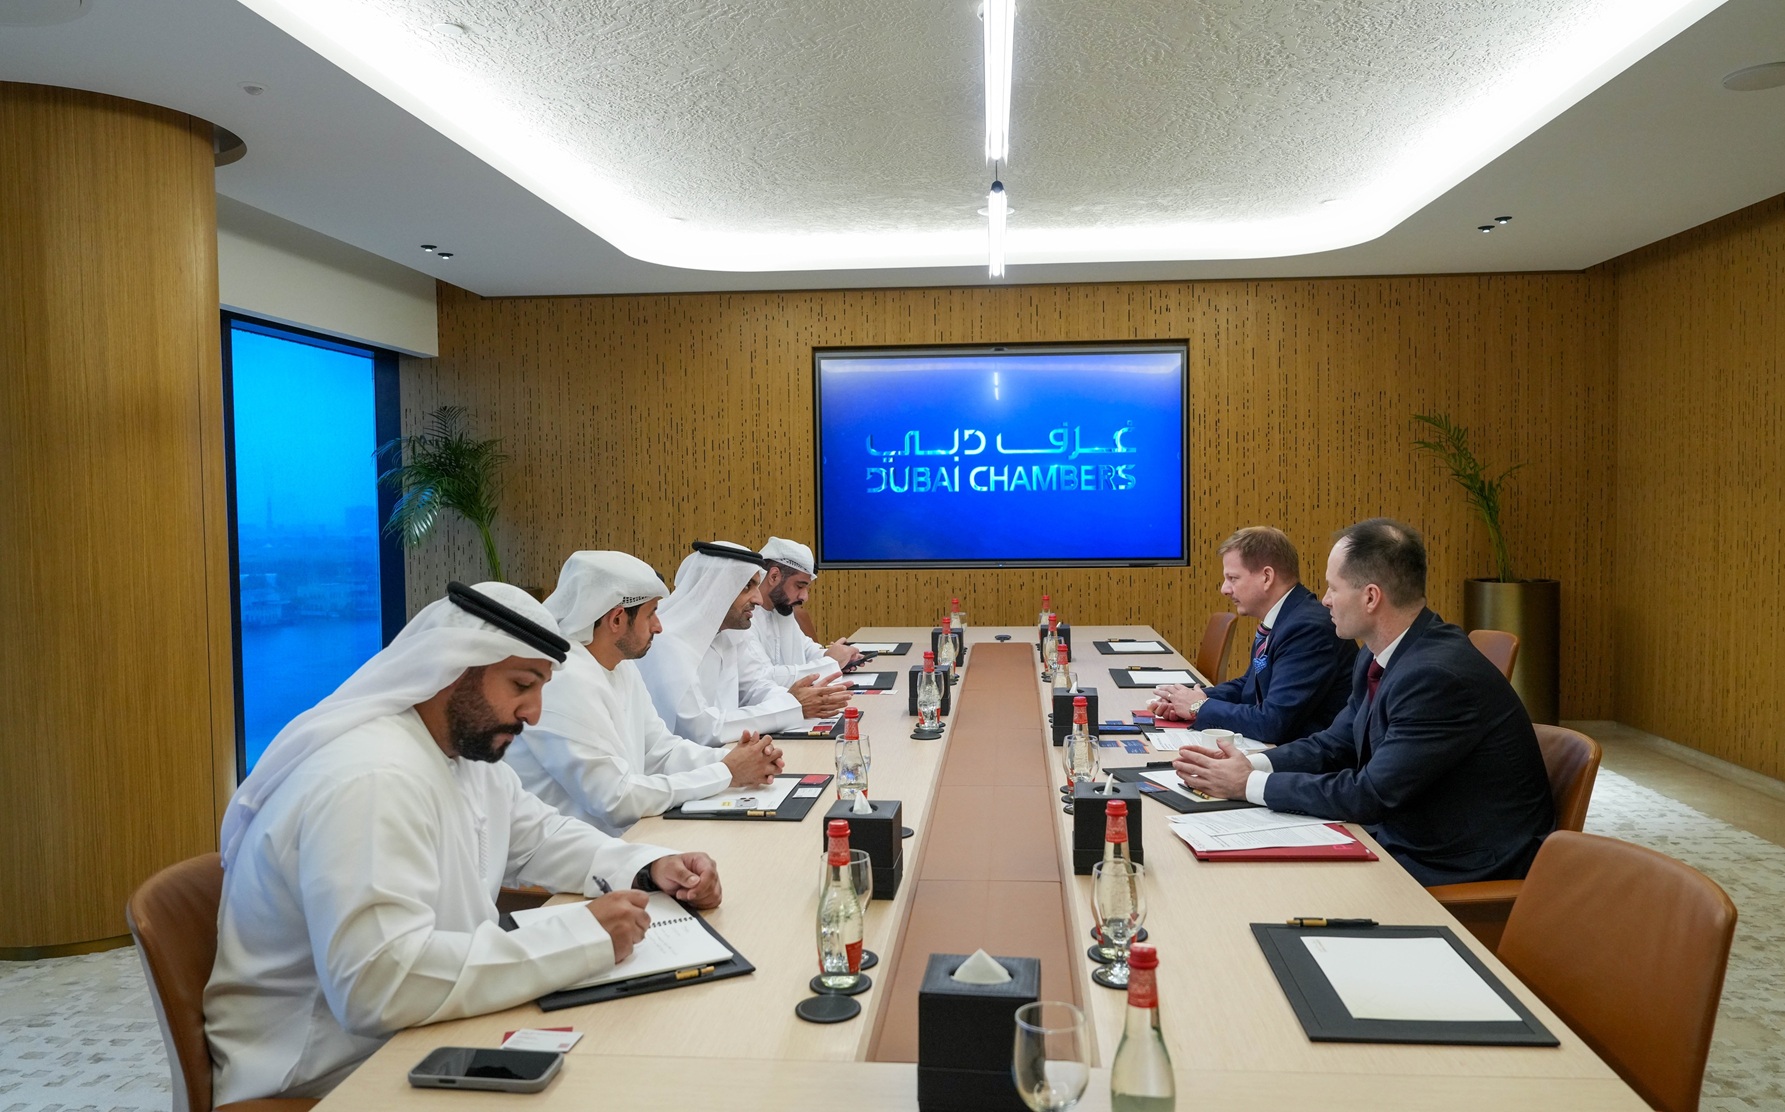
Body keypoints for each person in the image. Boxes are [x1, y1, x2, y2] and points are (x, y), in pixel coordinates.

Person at [205, 582, 723, 1103]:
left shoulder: (460, 753)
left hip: (425, 1032)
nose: (534, 712)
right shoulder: (370, 778)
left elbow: (539, 838)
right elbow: (378, 984)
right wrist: (582, 937)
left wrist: (652, 866)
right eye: (522, 684)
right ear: (453, 668)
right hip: (323, 1072)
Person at [1173, 519, 1555, 886]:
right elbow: (1333, 744)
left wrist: (1249, 785)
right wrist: (1251, 765)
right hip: (1405, 833)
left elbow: (1370, 795)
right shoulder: (1377, 653)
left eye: (1333, 588)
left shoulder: (1435, 676)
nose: (1324, 600)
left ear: (1371, 597)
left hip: (1455, 864)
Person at [507, 550, 785, 834]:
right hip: (573, 855)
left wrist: (739, 760)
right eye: (651, 613)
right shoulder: (562, 678)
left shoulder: (620, 665)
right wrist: (726, 772)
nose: (659, 626)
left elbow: (660, 751)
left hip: (623, 841)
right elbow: (614, 798)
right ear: (617, 619)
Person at [1147, 526, 1356, 742]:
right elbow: (1248, 686)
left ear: (1267, 577)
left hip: (1306, 756)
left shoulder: (1308, 629)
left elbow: (1272, 723)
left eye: (1233, 578)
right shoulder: (1285, 617)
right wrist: (1189, 699)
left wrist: (1199, 707)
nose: (1224, 589)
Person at [636, 541, 854, 745]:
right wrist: (793, 706)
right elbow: (701, 729)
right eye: (747, 587)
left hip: (731, 753)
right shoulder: (668, 642)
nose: (758, 599)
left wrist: (805, 700)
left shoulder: (730, 633)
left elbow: (756, 687)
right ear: (717, 589)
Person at [749, 536, 861, 685]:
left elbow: (806, 650)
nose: (804, 597)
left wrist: (834, 656)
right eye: (799, 586)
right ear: (774, 576)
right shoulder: (744, 617)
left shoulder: (781, 610)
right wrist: (830, 663)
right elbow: (765, 678)